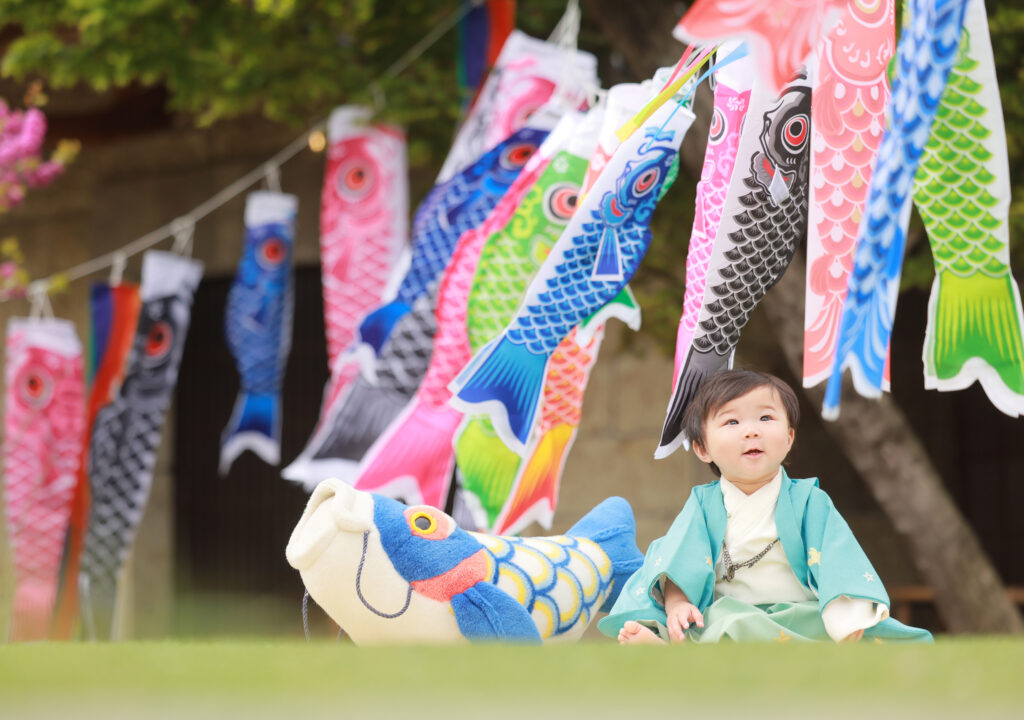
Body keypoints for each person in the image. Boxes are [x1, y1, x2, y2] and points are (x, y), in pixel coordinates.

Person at [598, 369, 932, 644]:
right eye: (732, 422)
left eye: (765, 417)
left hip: (798, 614)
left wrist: (846, 619)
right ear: (702, 448)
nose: (751, 431)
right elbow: (679, 559)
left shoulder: (809, 501)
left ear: (788, 438)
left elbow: (838, 561)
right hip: (723, 610)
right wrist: (678, 604)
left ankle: (682, 655)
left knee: (803, 626)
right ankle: (671, 643)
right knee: (714, 620)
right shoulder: (703, 504)